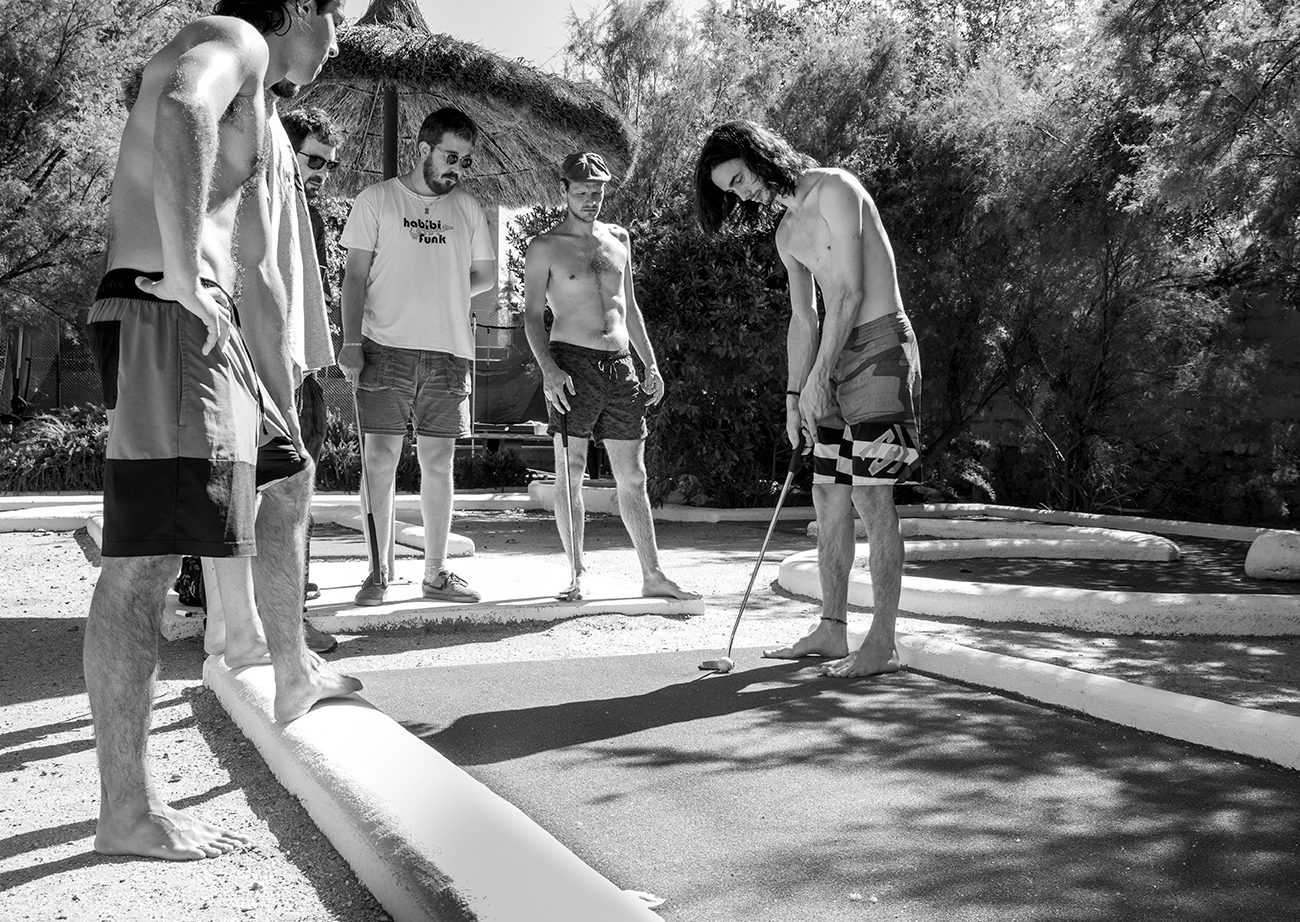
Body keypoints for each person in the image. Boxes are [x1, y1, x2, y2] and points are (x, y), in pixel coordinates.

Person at [84, 0, 359, 861]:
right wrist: (179, 273)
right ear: (299, 10)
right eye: (337, 16)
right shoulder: (233, 36)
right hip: (166, 310)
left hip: (208, 323)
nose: (339, 40)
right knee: (146, 564)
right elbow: (181, 107)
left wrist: (275, 383)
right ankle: (127, 810)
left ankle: (291, 673)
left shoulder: (267, 107)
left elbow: (251, 260)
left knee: (288, 479)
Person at [694, 121, 922, 678]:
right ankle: (832, 629)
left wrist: (822, 376)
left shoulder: (836, 190)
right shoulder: (785, 234)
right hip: (832, 359)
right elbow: (805, 318)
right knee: (827, 495)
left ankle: (883, 642)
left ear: (761, 155)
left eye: (741, 178)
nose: (742, 193)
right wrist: (796, 394)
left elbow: (848, 291)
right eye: (730, 190)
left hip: (880, 350)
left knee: (872, 498)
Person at [523, 152, 700, 602]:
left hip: (620, 364)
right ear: (563, 191)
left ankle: (652, 574)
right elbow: (530, 317)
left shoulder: (619, 237)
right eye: (581, 192)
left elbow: (631, 307)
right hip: (571, 364)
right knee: (572, 471)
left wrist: (651, 363)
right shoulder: (545, 246)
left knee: (633, 476)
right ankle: (576, 573)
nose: (590, 199)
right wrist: (549, 370)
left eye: (597, 192)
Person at [337, 107, 496, 606]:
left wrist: (443, 290)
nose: (457, 169)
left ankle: (436, 573)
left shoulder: (468, 208)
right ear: (423, 149)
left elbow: (486, 276)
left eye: (465, 161)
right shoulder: (376, 199)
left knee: (439, 461)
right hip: (383, 349)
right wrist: (350, 342)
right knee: (379, 459)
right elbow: (354, 277)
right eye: (451, 156)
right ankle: (378, 571)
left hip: (450, 352)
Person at [281, 104, 343, 652]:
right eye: (315, 160)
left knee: (296, 485)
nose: (322, 172)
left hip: (300, 368)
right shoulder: (260, 203)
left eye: (329, 164)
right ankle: (284, 616)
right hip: (261, 362)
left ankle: (289, 606)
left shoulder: (313, 216)